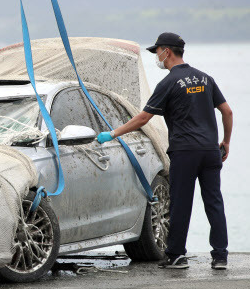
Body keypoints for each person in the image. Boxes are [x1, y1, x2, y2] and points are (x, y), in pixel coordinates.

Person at [96, 32, 233, 270]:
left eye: (157, 51)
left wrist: (113, 134)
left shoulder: (168, 83)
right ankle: (220, 257)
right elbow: (227, 112)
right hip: (211, 151)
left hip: (184, 152)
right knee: (214, 202)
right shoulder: (206, 79)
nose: (156, 56)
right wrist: (226, 142)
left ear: (167, 51)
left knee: (180, 203)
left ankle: (177, 256)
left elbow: (143, 118)